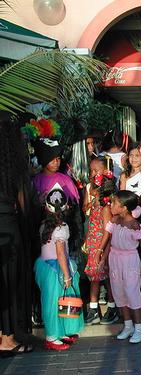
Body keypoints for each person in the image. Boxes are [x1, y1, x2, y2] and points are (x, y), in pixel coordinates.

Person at [0, 112, 36, 355]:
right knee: (8, 281)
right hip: (7, 224)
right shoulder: (13, 166)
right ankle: (7, 338)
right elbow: (24, 202)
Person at [98, 191, 141, 344]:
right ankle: (128, 326)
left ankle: (139, 329)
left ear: (125, 208)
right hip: (115, 259)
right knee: (118, 290)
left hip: (130, 260)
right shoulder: (114, 221)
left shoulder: (135, 225)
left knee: (131, 291)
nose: (111, 206)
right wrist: (103, 259)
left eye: (114, 203)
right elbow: (110, 242)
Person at [34, 185, 83, 351]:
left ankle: (59, 332)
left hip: (44, 266)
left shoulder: (43, 225)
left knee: (53, 301)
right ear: (66, 207)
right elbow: (61, 253)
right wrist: (67, 275)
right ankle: (52, 337)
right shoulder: (62, 227)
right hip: (57, 269)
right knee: (57, 301)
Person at [83, 170, 118, 325]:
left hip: (101, 247)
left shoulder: (105, 209)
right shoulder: (96, 206)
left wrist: (99, 251)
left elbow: (107, 231)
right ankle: (93, 309)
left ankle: (112, 307)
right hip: (93, 246)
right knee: (94, 278)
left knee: (107, 278)